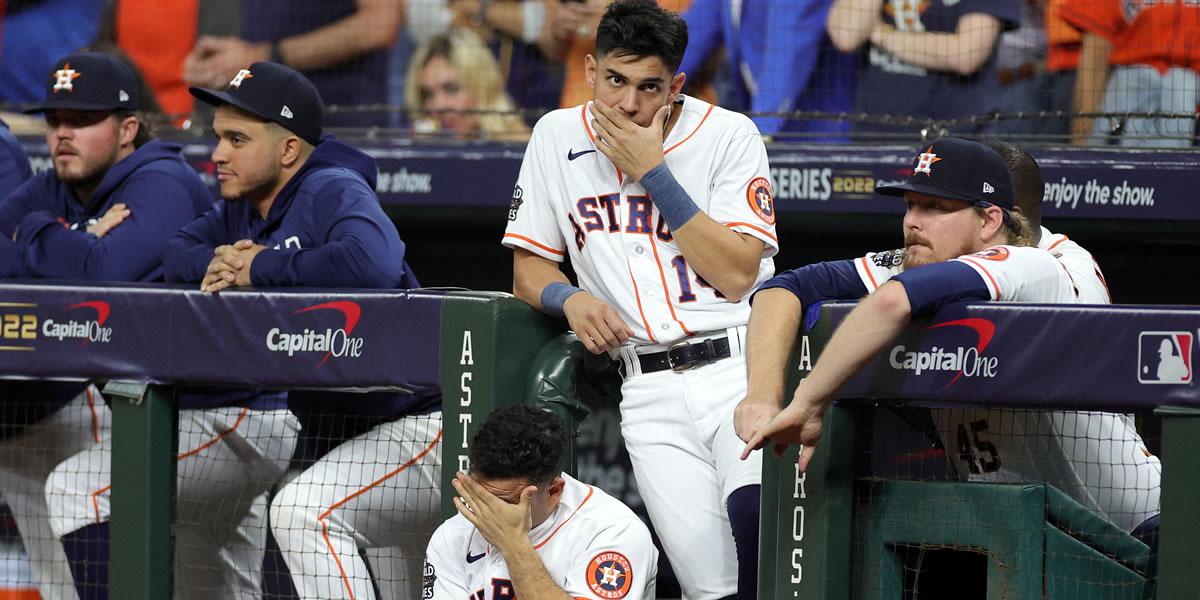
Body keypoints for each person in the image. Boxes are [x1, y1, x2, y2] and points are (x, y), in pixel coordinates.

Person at [737, 137, 1160, 535]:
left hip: (1135, 527)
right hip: (1028, 528)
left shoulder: (1046, 266)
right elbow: (786, 287)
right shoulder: (925, 257)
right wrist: (762, 395)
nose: (911, 223)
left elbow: (892, 302)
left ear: (992, 219)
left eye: (934, 207)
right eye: (910, 205)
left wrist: (809, 401)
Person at [502, 2, 778, 597]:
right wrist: (567, 298)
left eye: (649, 87)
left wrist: (654, 172)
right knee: (711, 586)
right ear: (591, 68)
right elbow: (527, 269)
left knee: (762, 539)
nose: (628, 104)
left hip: (738, 368)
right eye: (615, 81)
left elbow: (736, 274)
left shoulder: (729, 134)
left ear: (675, 85)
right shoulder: (555, 135)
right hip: (647, 388)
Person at [161, 61, 434, 599]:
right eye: (217, 137)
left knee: (302, 513)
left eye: (237, 139)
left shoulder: (330, 186)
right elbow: (174, 254)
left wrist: (260, 267)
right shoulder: (239, 211)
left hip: (421, 419)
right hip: (352, 436)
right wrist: (229, 261)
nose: (218, 154)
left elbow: (373, 263)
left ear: (288, 150)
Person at [0, 51, 212, 600]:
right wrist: (78, 236)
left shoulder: (161, 181)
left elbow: (104, 273)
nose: (62, 135)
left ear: (128, 129)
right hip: (143, 400)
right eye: (54, 122)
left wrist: (40, 235)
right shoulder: (56, 186)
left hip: (210, 411)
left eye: (82, 121)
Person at [425, 405, 658, 599]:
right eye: (481, 496)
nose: (489, 512)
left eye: (506, 501)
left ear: (553, 492)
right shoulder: (453, 535)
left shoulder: (613, 532)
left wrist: (514, 544)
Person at [183, 0, 405, 127]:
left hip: (340, 128)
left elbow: (380, 24)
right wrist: (219, 64)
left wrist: (262, 56)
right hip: (267, 124)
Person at [826, 0, 1020, 137]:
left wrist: (880, 34)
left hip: (956, 135)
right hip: (877, 129)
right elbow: (846, 35)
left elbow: (966, 55)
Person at [1060, 0, 1200, 147]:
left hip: (1191, 99)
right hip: (1132, 86)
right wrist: (1081, 141)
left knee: (1180, 84)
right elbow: (1095, 56)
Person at [405, 28, 530, 140]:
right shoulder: (419, 150)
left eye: (452, 89)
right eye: (428, 94)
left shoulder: (520, 147)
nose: (439, 105)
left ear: (482, 85)